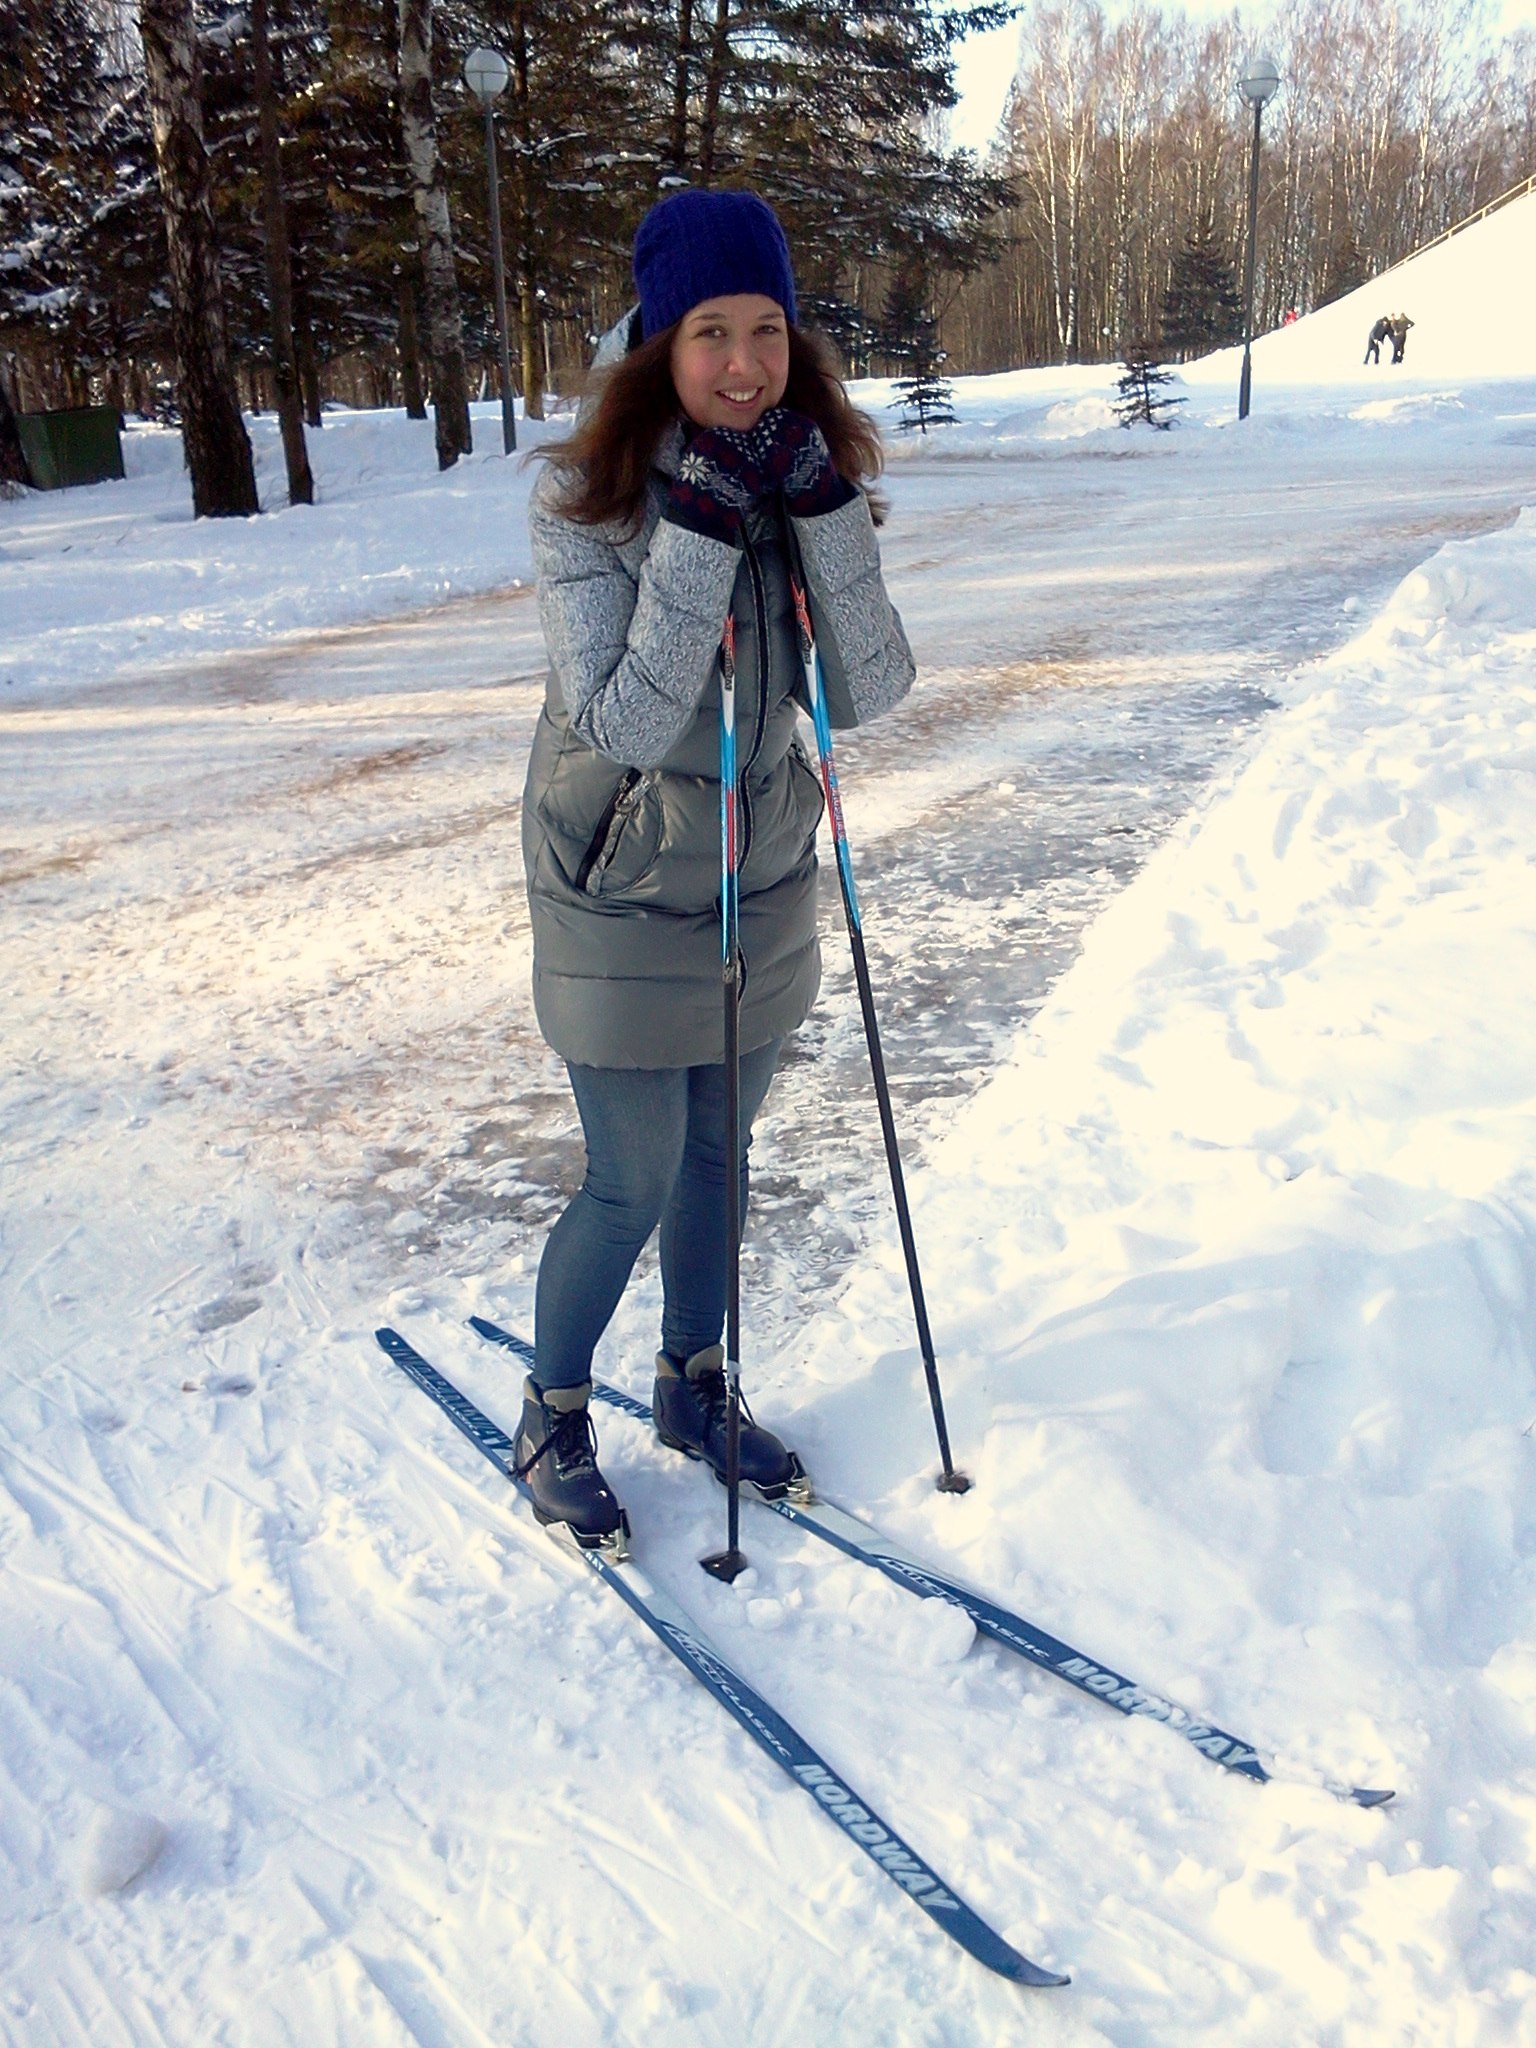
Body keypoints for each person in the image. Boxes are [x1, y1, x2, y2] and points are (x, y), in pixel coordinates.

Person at [514, 188, 916, 1547]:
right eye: (710, 333)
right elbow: (623, 721)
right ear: (657, 345)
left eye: (768, 331)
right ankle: (551, 1414)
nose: (745, 365)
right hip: (622, 880)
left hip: (760, 871)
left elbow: (870, 690)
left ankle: (693, 1381)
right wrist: (696, 530)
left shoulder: (802, 469)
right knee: (630, 1173)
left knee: (715, 1158)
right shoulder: (585, 507)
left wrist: (827, 516)